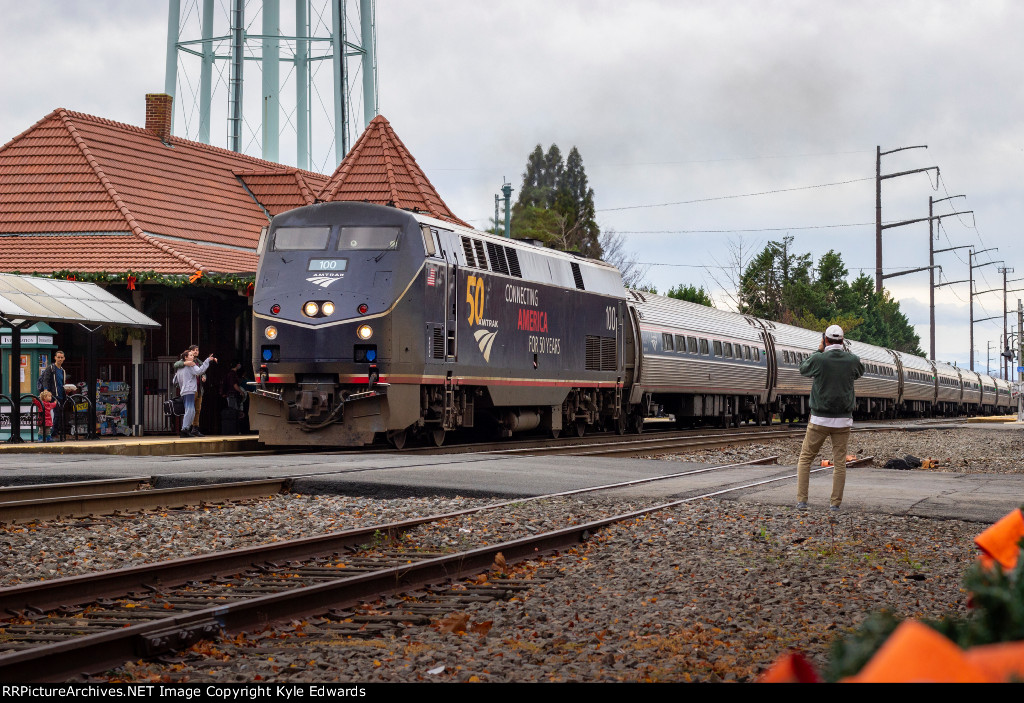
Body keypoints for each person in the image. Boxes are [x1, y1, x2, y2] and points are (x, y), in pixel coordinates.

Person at [795, 325, 865, 513]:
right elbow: (859, 372)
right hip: (843, 421)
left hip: (819, 420)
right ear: (842, 341)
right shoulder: (852, 360)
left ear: (825, 340)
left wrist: (818, 350)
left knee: (805, 459)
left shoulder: (819, 359)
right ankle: (835, 504)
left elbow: (803, 369)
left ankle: (802, 501)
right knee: (839, 462)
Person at [174, 348, 216, 438]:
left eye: (193, 355)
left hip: (184, 390)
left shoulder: (180, 367)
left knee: (190, 410)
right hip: (189, 390)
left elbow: (176, 377)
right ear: (186, 357)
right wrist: (208, 360)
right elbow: (200, 371)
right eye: (191, 355)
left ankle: (185, 429)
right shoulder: (191, 365)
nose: (193, 357)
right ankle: (184, 429)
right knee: (190, 410)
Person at [38, 350, 69, 441]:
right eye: (58, 357)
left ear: (64, 359)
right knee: (54, 415)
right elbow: (45, 380)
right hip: (52, 396)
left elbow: (62, 383)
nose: (60, 359)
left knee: (58, 415)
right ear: (55, 358)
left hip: (61, 395)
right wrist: (46, 392)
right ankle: (51, 434)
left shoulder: (63, 371)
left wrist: (67, 389)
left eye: (61, 357)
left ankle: (54, 433)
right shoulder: (51, 368)